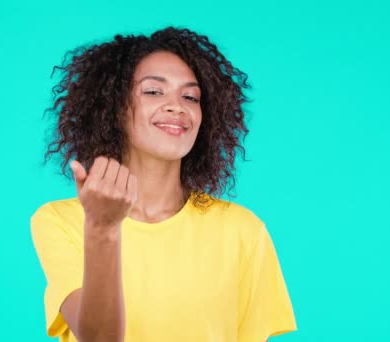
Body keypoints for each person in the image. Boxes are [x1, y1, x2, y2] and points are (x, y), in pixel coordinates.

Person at [30, 26, 297, 342]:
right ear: (113, 107)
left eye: (190, 96)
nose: (177, 106)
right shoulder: (60, 221)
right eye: (154, 91)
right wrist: (102, 229)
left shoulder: (243, 230)